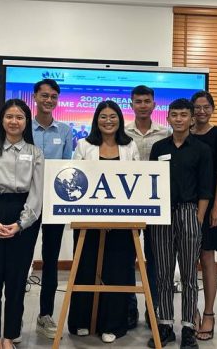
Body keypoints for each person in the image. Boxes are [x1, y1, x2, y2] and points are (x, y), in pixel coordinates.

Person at [67, 100, 141, 343]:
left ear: (120, 119)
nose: (108, 121)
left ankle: (113, 325)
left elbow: (137, 182)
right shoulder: (84, 145)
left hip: (122, 221)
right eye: (103, 116)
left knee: (117, 270)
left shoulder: (130, 146)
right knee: (85, 268)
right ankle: (82, 321)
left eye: (113, 116)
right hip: (88, 219)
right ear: (96, 120)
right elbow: (77, 179)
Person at [0, 99, 44, 349]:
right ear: (1, 120)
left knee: (16, 282)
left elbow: (37, 193)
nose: (14, 121)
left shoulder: (35, 153)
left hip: (23, 215)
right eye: (9, 116)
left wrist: (21, 223)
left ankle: (9, 336)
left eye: (19, 117)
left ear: (26, 122)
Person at [148, 98, 214, 349]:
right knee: (164, 273)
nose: (178, 119)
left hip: (190, 212)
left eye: (183, 115)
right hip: (162, 214)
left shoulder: (201, 149)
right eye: (174, 114)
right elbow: (151, 181)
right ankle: (165, 325)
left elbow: (206, 188)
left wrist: (198, 218)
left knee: (188, 275)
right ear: (168, 118)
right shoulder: (158, 148)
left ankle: (188, 327)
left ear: (192, 119)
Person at [31, 79, 74, 339]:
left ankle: (45, 315)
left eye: (54, 97)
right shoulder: (25, 127)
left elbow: (67, 167)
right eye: (44, 95)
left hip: (53, 204)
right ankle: (12, 317)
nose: (49, 100)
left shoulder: (66, 131)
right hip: (26, 202)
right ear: (35, 97)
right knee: (19, 261)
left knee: (50, 261)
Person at [125, 85, 171, 325]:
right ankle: (129, 308)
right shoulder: (122, 133)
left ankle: (152, 308)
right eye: (138, 101)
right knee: (126, 258)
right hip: (128, 203)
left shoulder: (166, 133)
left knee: (155, 260)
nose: (142, 105)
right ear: (131, 104)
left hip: (156, 204)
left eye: (147, 101)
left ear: (154, 104)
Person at [189, 91, 217, 342]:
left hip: (212, 201)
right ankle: (191, 311)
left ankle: (208, 313)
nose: (201, 111)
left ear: (212, 109)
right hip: (186, 203)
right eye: (197, 107)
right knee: (186, 259)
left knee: (207, 257)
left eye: (206, 107)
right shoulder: (184, 132)